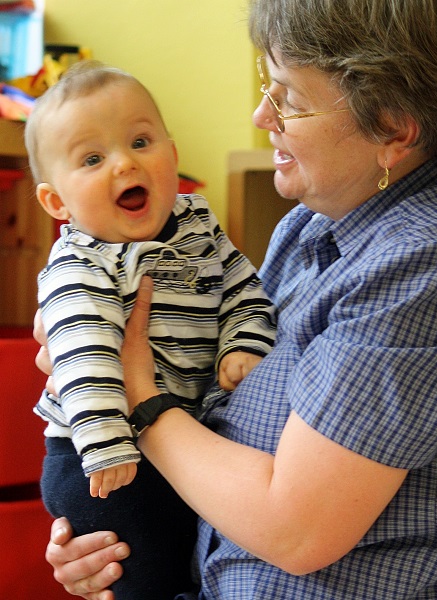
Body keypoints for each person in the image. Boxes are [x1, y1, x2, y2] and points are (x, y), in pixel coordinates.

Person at [36, 0, 437, 598]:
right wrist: (119, 536)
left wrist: (138, 396)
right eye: (266, 87)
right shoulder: (312, 226)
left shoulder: (436, 261)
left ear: (392, 127)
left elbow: (296, 531)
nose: (261, 116)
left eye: (290, 100)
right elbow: (216, 426)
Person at [26, 60, 276, 600]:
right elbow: (85, 358)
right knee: (144, 573)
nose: (124, 163)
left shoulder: (200, 227)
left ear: (172, 154)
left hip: (178, 440)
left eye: (140, 142)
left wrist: (242, 343)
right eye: (92, 158)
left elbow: (243, 289)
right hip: (100, 458)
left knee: (188, 561)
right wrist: (106, 443)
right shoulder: (81, 264)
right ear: (57, 202)